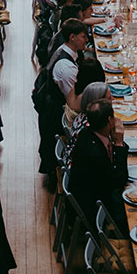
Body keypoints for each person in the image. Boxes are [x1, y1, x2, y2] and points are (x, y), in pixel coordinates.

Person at [35, 18, 88, 178]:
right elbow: (73, 103)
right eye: (84, 37)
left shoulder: (64, 50)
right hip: (56, 113)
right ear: (72, 37)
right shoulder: (65, 67)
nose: (86, 40)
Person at [68, 99, 129, 230]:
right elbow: (120, 179)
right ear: (109, 121)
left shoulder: (87, 133)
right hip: (94, 205)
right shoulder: (94, 152)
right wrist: (119, 144)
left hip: (90, 191)